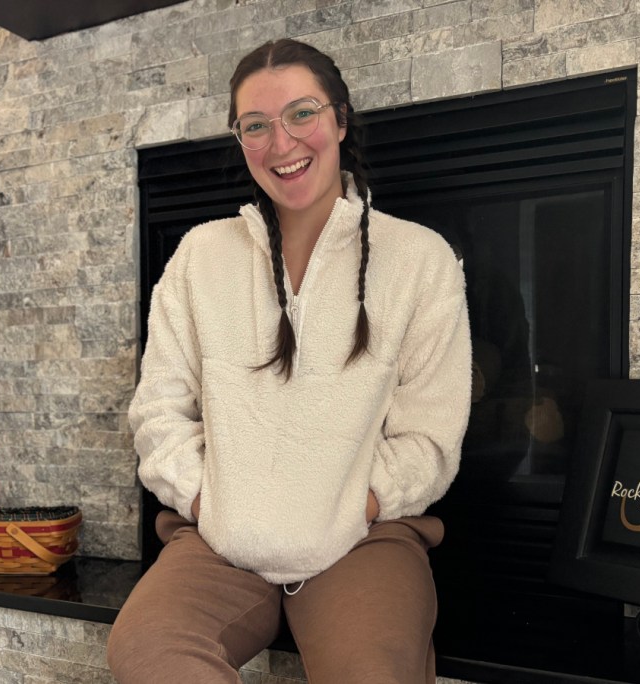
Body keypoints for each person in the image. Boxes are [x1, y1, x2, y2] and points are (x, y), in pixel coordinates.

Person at [106, 38, 472, 683]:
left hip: (360, 538)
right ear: (240, 139)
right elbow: (159, 410)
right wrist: (205, 503)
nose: (282, 143)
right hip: (221, 536)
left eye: (302, 113)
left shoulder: (420, 259)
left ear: (339, 118)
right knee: (147, 653)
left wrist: (347, 508)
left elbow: (429, 437)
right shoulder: (200, 256)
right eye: (256, 126)